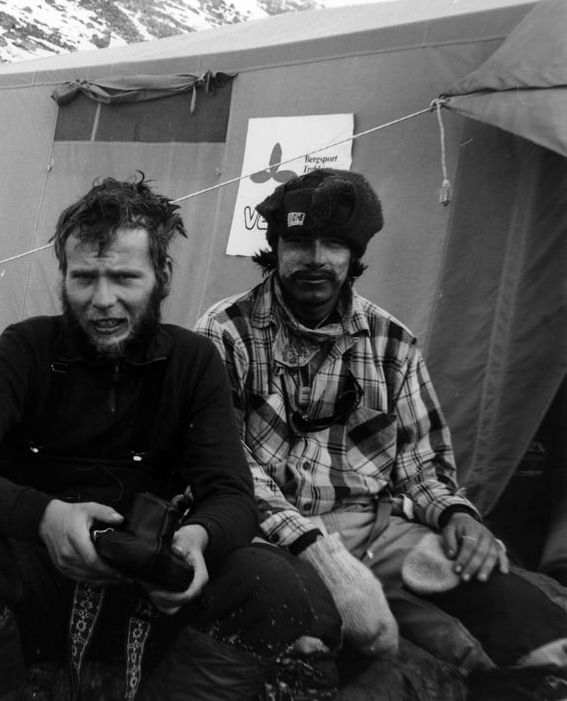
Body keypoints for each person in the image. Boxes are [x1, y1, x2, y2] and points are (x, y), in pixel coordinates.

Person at [0, 174, 340, 701]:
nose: (102, 299)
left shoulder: (192, 362)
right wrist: (44, 517)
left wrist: (195, 541)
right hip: (33, 585)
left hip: (151, 594)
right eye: (84, 277)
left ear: (161, 276)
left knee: (270, 583)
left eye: (124, 277)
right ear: (64, 277)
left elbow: (232, 494)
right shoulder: (27, 348)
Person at [195, 168, 567, 683]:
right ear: (275, 247)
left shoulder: (393, 342)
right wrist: (318, 552)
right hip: (270, 535)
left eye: (334, 244)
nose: (316, 258)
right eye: (299, 242)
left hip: (373, 527)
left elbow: (422, 465)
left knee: (520, 613)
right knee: (338, 635)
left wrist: (457, 514)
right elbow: (228, 467)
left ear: (354, 255)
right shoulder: (224, 332)